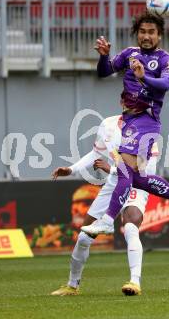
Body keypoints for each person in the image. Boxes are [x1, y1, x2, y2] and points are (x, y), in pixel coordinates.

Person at [81, 12, 169, 237]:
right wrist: (104, 57)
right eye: (142, 32)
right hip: (130, 120)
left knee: (122, 170)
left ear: (159, 35)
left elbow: (166, 84)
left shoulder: (165, 59)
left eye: (151, 32)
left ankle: (108, 220)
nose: (146, 36)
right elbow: (104, 72)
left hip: (147, 120)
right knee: (136, 178)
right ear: (137, 34)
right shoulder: (130, 53)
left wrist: (143, 77)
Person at [51, 115, 159, 296]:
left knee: (131, 226)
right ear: (122, 101)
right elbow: (96, 153)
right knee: (84, 236)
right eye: (127, 98)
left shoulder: (147, 128)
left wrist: (111, 169)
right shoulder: (107, 124)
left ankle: (134, 282)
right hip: (113, 184)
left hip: (137, 184)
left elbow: (148, 171)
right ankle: (72, 285)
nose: (131, 103)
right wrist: (71, 169)